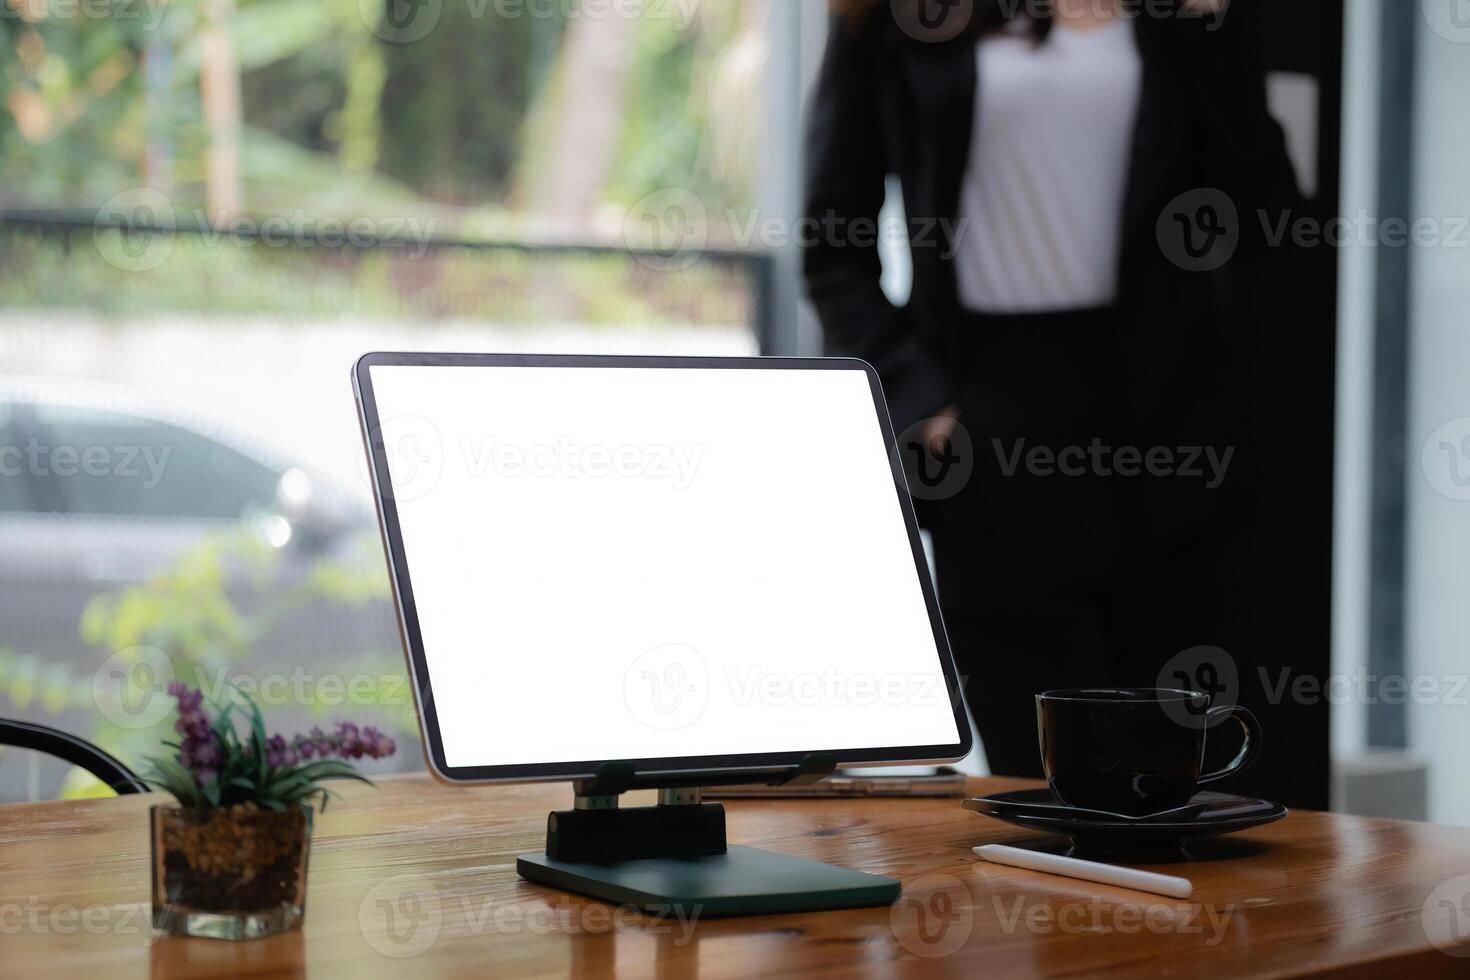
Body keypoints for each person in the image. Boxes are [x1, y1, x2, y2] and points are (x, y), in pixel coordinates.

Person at [803, 0, 1300, 776]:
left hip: (1172, 427)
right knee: (1042, 787)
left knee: (1187, 787)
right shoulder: (900, 17)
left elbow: (1264, 206)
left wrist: (1214, 32)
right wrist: (919, 397)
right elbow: (834, 247)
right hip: (993, 423)